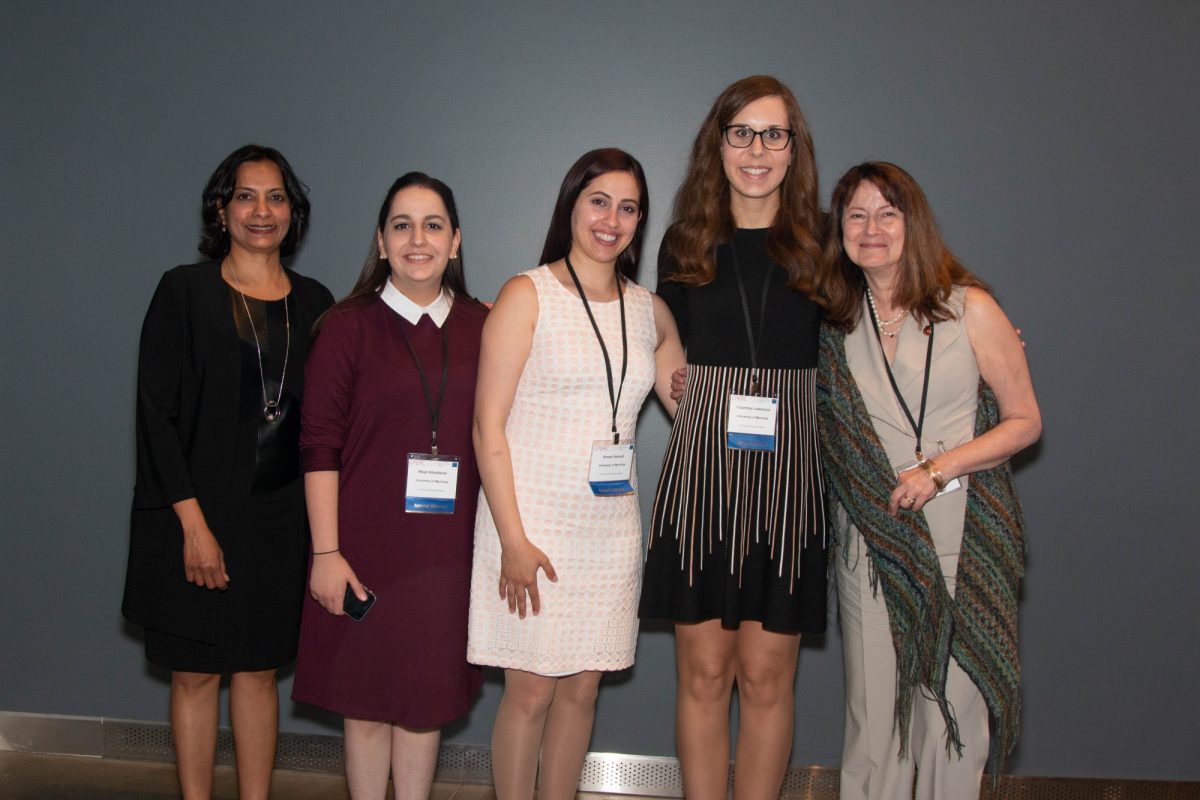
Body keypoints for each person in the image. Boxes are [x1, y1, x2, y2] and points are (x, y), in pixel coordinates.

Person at [817, 161, 1041, 799]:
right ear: (841, 229)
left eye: (887, 214)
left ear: (912, 223)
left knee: (951, 721)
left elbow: (1025, 422)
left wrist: (938, 469)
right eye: (857, 216)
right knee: (875, 722)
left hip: (959, 540)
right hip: (871, 547)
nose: (872, 229)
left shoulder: (969, 308)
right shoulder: (832, 323)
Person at [468, 148, 685, 800]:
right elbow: (486, 427)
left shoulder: (649, 310)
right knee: (531, 691)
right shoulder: (526, 294)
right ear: (571, 205)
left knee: (583, 691)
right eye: (599, 202)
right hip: (529, 523)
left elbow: (693, 411)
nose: (611, 220)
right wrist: (512, 539)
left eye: (628, 208)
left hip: (609, 532)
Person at [122, 144, 334, 800]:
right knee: (193, 675)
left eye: (276, 197)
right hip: (192, 514)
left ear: (293, 212)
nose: (261, 210)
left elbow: (327, 420)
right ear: (222, 209)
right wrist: (193, 526)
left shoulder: (316, 302)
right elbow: (155, 416)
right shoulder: (183, 292)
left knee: (258, 673)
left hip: (278, 522)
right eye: (246, 196)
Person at [638, 76, 828, 800]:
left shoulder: (825, 242)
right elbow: (662, 344)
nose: (756, 150)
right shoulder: (685, 242)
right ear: (717, 145)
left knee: (767, 677)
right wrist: (689, 401)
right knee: (705, 674)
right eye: (741, 133)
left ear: (793, 149)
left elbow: (885, 315)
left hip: (790, 480)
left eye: (773, 134)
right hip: (704, 478)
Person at [291, 173, 487, 800]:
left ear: (455, 241)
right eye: (401, 226)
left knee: (425, 704)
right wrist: (326, 553)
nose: (417, 240)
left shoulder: (486, 325)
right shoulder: (346, 326)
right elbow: (318, 445)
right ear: (381, 241)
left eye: (433, 225)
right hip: (364, 548)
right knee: (367, 704)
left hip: (449, 553)